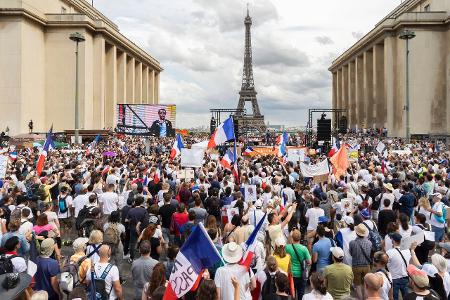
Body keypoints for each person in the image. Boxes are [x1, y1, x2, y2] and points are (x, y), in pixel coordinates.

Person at [386, 233, 420, 300]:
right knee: (406, 297)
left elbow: (386, 263)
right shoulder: (407, 250)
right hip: (405, 277)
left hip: (394, 278)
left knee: (394, 297)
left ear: (393, 240)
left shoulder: (389, 252)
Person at [349, 223, 372, 300]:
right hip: (366, 266)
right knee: (366, 285)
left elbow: (351, 253)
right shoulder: (369, 243)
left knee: (357, 286)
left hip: (356, 266)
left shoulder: (352, 243)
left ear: (356, 232)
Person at [285, 229, 310, 299]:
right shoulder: (304, 248)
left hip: (291, 274)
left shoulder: (287, 247)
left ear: (292, 238)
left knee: (292, 293)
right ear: (300, 238)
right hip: (301, 274)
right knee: (301, 293)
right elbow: (309, 262)